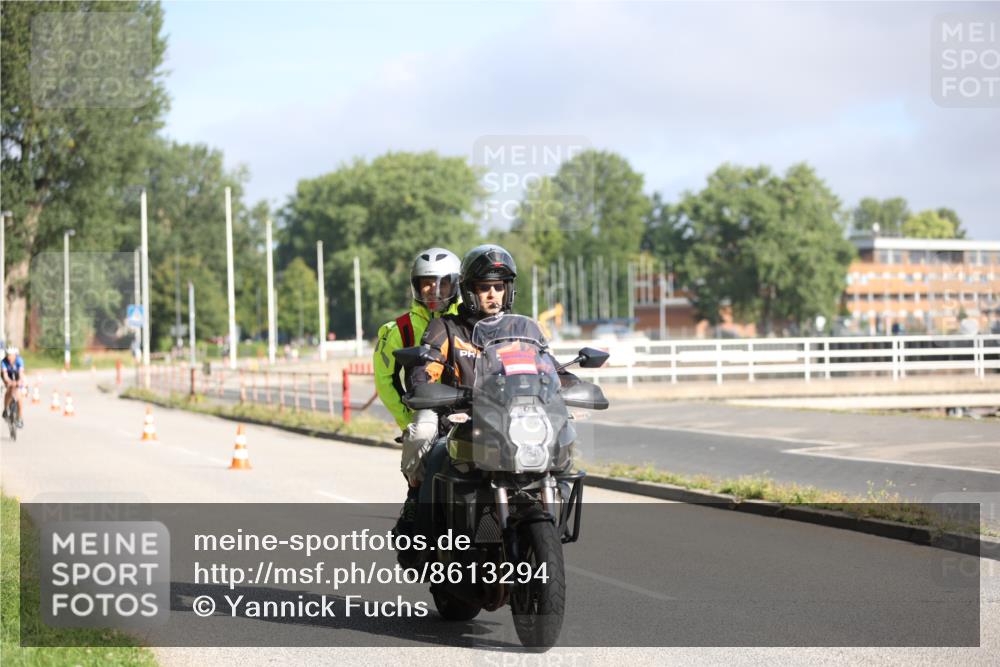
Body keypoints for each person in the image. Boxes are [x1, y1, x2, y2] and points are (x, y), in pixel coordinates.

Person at [373, 248, 461, 535]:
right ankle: (414, 493)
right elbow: (385, 379)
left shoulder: (469, 319)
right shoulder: (396, 329)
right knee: (421, 433)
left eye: (442, 282)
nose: (433, 290)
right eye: (426, 282)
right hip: (427, 408)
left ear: (455, 284)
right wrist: (405, 418)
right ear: (415, 284)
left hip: (470, 403)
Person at [2, 347, 26, 428]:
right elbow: (5, 375)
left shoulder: (19, 360)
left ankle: (19, 417)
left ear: (15, 355)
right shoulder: (4, 362)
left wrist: (19, 381)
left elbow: (21, 373)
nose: (9, 357)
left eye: (11, 355)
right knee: (9, 389)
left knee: (19, 396)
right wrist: (9, 382)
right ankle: (5, 409)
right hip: (8, 376)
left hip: (17, 376)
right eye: (8, 355)